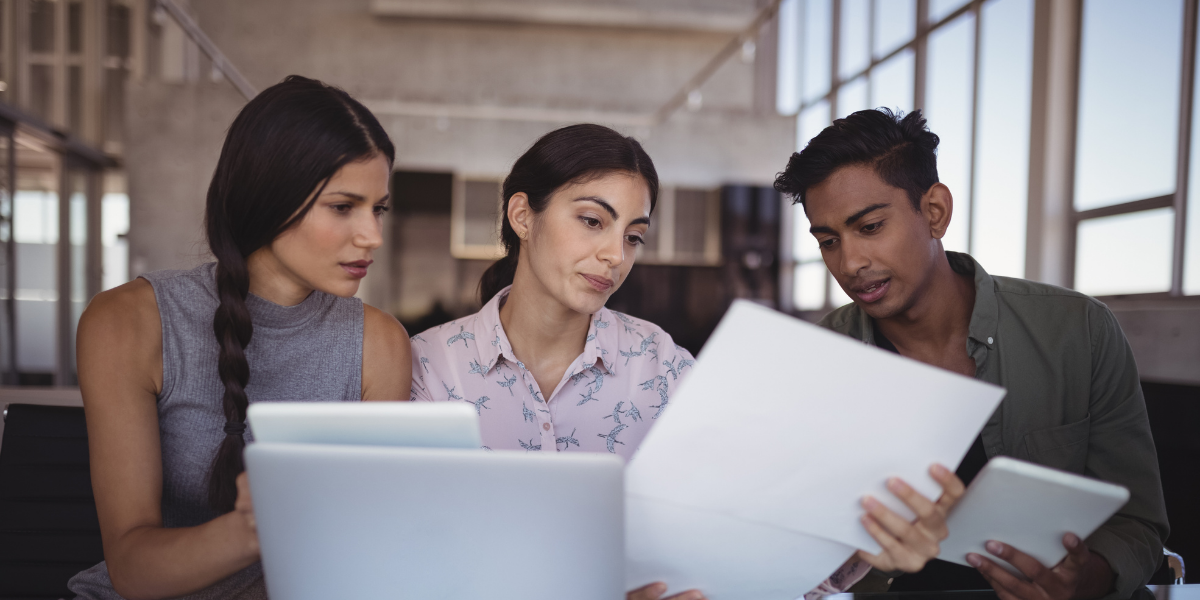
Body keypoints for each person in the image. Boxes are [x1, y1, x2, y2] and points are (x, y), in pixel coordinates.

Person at [411, 123, 965, 600]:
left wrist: (865, 531)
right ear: (522, 216)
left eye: (633, 236)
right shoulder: (429, 370)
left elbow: (754, 541)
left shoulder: (664, 368)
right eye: (591, 221)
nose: (614, 255)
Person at [774, 108, 1169, 600]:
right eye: (829, 241)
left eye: (871, 227)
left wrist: (1084, 579)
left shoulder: (1078, 333)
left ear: (935, 212)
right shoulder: (816, 363)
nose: (850, 263)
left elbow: (1137, 522)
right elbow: (792, 547)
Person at [68, 76, 411, 600]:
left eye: (378, 208)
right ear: (270, 197)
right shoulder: (129, 321)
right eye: (343, 207)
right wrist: (258, 524)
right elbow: (132, 570)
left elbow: (360, 554)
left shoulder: (379, 344)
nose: (373, 236)